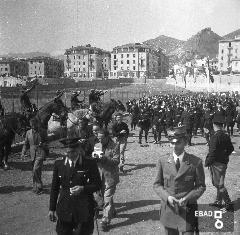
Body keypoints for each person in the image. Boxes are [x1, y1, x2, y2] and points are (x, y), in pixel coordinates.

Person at [153, 125, 206, 235]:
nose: (174, 146)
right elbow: (157, 185)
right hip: (168, 210)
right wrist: (167, 197)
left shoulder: (196, 162)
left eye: (178, 143)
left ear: (185, 142)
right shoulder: (162, 161)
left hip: (188, 210)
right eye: (172, 143)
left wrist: (188, 198)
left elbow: (201, 186)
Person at [48, 137, 102, 235]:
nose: (70, 155)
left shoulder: (89, 163)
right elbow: (54, 188)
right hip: (65, 207)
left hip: (84, 208)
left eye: (73, 152)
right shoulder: (59, 164)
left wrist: (83, 188)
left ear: (78, 149)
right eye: (67, 152)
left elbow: (98, 184)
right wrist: (52, 208)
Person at [92, 129, 120, 232]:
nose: (99, 139)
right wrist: (94, 157)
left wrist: (104, 159)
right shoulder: (97, 145)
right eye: (98, 137)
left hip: (110, 176)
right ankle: (112, 211)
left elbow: (116, 161)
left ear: (107, 137)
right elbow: (95, 159)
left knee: (107, 197)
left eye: (101, 138)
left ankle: (105, 220)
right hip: (99, 175)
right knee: (105, 195)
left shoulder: (115, 145)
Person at [205, 115, 234, 210]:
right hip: (223, 162)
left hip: (216, 163)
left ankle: (228, 203)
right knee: (219, 183)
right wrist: (224, 155)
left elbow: (212, 152)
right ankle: (218, 201)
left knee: (218, 184)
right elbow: (231, 149)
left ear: (214, 125)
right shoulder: (225, 135)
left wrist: (208, 162)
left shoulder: (215, 137)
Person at [20, 118, 47, 194]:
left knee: (35, 169)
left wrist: (43, 144)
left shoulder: (43, 131)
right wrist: (23, 153)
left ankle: (39, 186)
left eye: (34, 125)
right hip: (32, 154)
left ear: (37, 124)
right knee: (36, 171)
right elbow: (25, 144)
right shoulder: (28, 132)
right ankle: (36, 187)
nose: (33, 126)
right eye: (32, 125)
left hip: (40, 152)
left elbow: (47, 142)